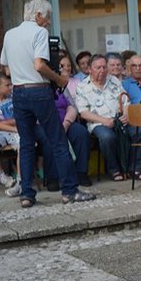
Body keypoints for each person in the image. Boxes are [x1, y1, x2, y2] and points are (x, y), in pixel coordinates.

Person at [0, 0, 94, 207]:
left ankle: (27, 194)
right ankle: (69, 191)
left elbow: (6, 68)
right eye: (48, 17)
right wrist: (60, 79)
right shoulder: (39, 32)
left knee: (26, 144)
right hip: (39, 90)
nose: (48, 22)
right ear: (38, 15)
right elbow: (39, 65)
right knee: (59, 142)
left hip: (18, 92)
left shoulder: (10, 34)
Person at [76, 54, 141, 182]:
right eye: (98, 68)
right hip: (98, 123)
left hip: (120, 119)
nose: (102, 71)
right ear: (90, 69)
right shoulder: (82, 87)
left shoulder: (114, 81)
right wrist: (104, 121)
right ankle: (114, 169)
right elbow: (83, 113)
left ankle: (135, 168)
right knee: (108, 137)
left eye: (104, 67)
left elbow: (125, 101)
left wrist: (126, 115)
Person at [43, 55, 92, 190]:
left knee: (81, 133)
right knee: (48, 140)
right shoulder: (39, 88)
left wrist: (65, 123)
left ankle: (81, 172)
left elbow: (71, 106)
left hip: (65, 122)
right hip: (46, 124)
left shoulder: (60, 86)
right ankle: (53, 177)